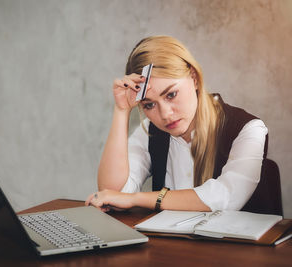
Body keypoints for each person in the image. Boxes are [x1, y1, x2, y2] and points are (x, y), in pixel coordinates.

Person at [85, 36, 268, 213]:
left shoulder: (248, 128)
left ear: (194, 78)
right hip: (169, 244)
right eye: (149, 105)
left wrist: (137, 199)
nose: (165, 114)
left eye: (171, 94)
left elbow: (226, 196)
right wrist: (122, 110)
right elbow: (112, 194)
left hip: (232, 245)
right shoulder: (150, 130)